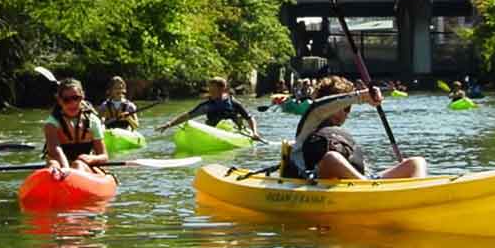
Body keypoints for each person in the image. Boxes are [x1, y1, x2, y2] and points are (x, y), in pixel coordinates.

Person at [284, 75, 426, 180]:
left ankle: (420, 196)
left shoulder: (338, 135)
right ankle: (367, 190)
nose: (347, 113)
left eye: (349, 108)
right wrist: (362, 97)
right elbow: (319, 107)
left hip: (361, 182)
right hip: (315, 180)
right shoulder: (311, 121)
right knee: (331, 158)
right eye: (345, 108)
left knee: (416, 163)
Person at [156, 77, 260, 139]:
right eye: (210, 89)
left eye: (213, 89)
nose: (210, 91)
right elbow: (188, 115)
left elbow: (249, 117)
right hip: (214, 132)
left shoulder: (233, 102)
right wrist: (169, 124)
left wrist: (255, 133)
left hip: (233, 132)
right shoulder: (207, 105)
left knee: (234, 121)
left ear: (222, 89)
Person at [44, 78, 108, 173]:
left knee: (78, 164)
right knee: (53, 164)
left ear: (82, 97)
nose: (72, 103)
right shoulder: (51, 124)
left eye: (76, 98)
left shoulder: (93, 121)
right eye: (66, 100)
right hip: (62, 166)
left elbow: (104, 156)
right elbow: (55, 151)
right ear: (59, 100)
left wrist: (91, 159)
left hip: (85, 166)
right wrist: (66, 170)